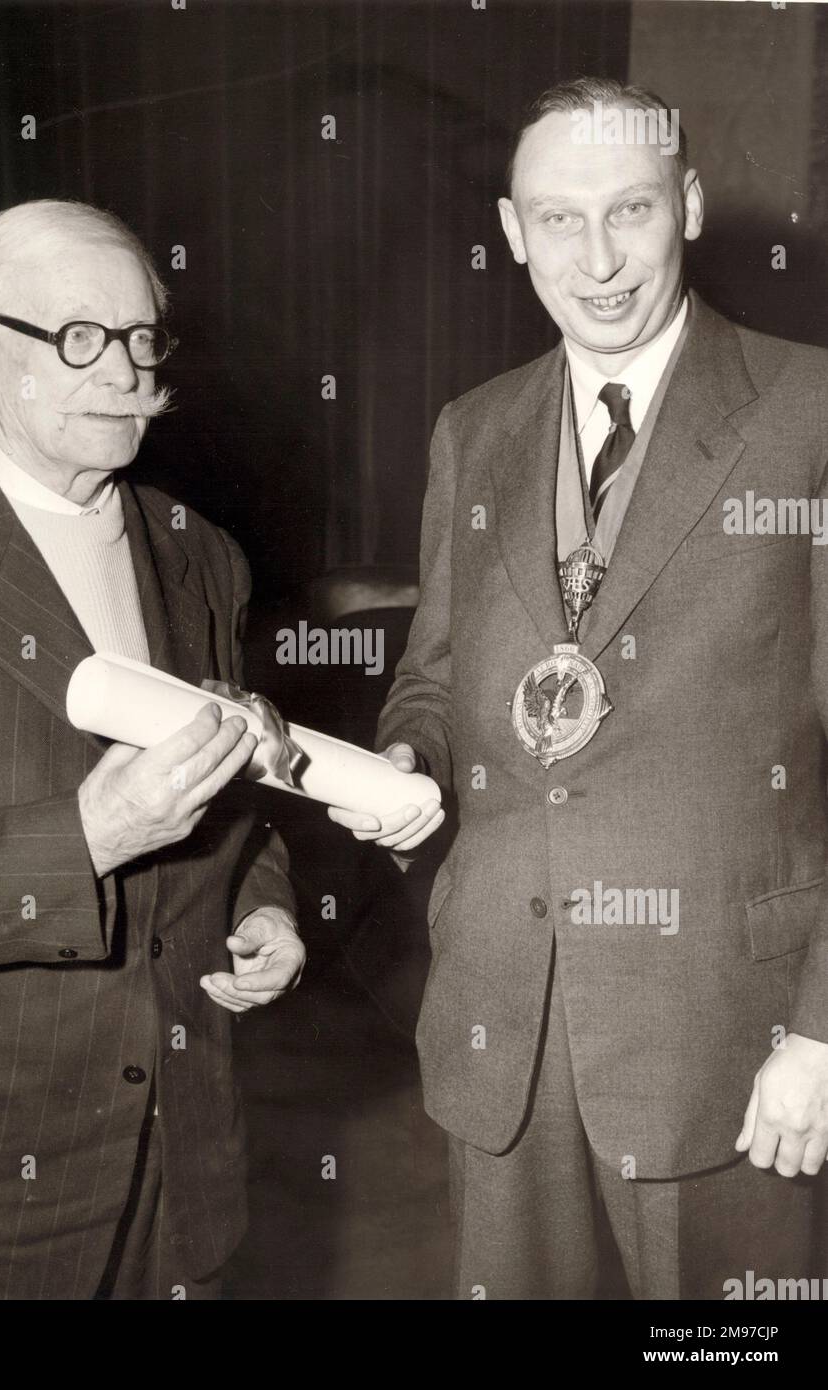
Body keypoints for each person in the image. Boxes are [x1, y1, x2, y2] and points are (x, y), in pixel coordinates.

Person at [331, 78, 828, 1299]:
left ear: (690, 207)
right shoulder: (472, 429)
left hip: (729, 1031)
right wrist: (405, 759)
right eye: (558, 220)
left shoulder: (810, 409)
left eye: (630, 212)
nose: (597, 260)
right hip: (502, 1024)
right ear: (509, 230)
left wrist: (820, 1029)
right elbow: (434, 678)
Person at [0, 199, 304, 1300]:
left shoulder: (202, 555)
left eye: (143, 338)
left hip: (184, 1161)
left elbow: (236, 804)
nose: (126, 372)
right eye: (81, 338)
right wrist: (88, 834)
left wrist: (262, 904)